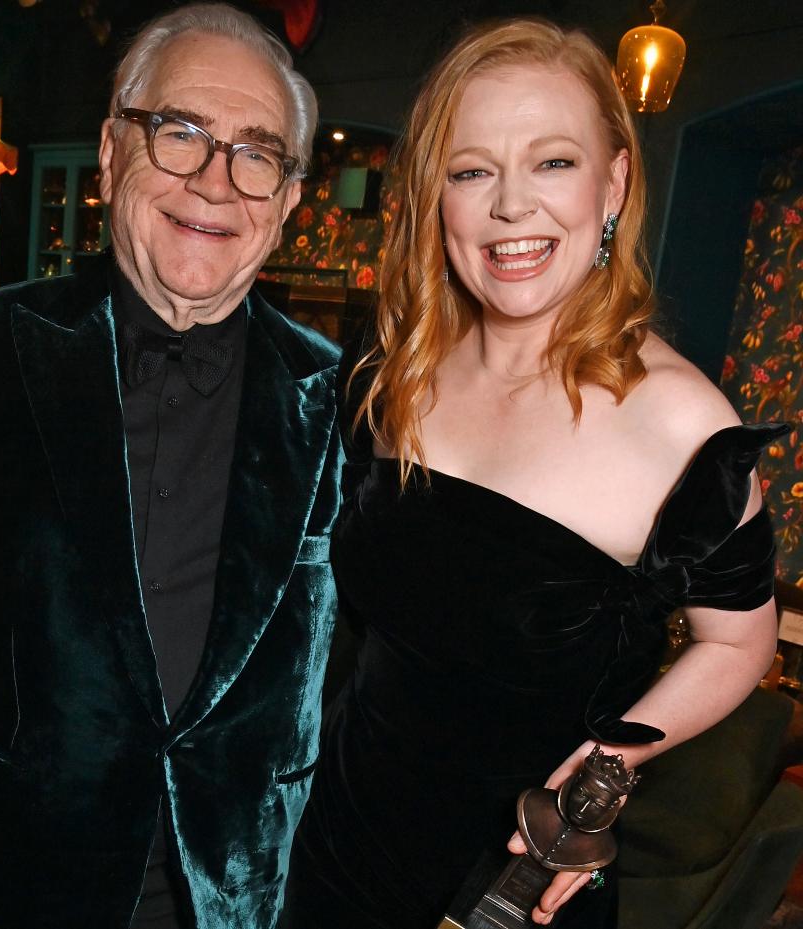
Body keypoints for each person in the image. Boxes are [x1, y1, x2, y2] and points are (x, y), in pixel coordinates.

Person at [280, 18, 783, 929]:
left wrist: (609, 768)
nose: (512, 206)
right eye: (473, 171)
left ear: (615, 185)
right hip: (332, 834)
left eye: (552, 162)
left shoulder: (681, 423)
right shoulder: (396, 367)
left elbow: (741, 642)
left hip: (510, 883)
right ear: (440, 197)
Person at [0, 5, 342, 929]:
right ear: (114, 151)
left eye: (257, 153)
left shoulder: (339, 397)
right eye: (181, 134)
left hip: (228, 897)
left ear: (285, 200)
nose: (215, 182)